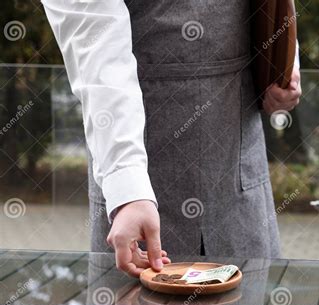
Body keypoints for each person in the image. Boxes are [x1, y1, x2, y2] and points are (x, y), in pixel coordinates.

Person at [42, 0, 301, 277]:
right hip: (140, 188)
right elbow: (96, 52)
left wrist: (283, 64)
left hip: (237, 170)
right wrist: (128, 190)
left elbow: (273, 8)